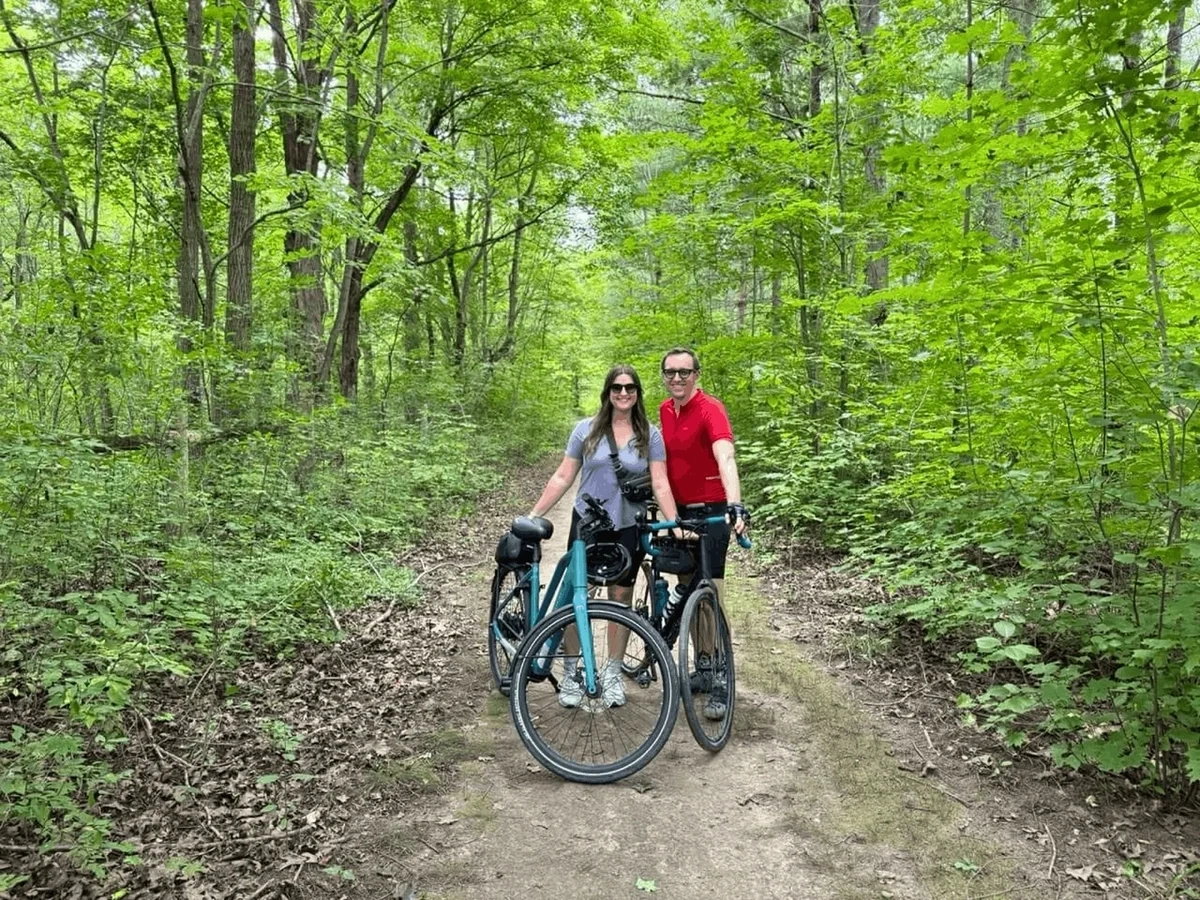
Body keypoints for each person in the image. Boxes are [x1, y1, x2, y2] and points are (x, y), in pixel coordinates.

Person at [530, 364, 679, 708]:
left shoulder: (649, 435)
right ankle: (572, 674)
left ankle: (611, 674)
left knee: (619, 599)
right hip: (588, 523)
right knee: (575, 598)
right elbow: (563, 476)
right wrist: (535, 513)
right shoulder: (586, 430)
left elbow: (660, 482)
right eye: (617, 388)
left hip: (628, 525)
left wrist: (674, 523)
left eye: (630, 388)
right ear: (607, 392)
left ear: (638, 393)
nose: (623, 394)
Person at [658, 346, 749, 721]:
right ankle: (705, 666)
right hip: (678, 514)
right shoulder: (663, 412)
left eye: (684, 372)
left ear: (697, 374)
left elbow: (725, 455)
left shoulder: (711, 408)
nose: (677, 378)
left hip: (711, 511)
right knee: (687, 587)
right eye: (670, 372)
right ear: (663, 376)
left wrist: (734, 504)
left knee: (711, 590)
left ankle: (723, 678)